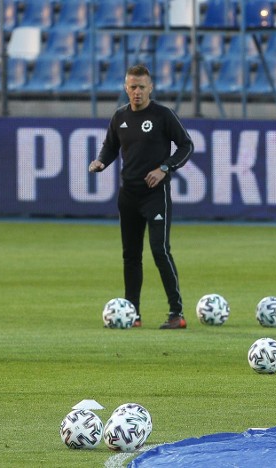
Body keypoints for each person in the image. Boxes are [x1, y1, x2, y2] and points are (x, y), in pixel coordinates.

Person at [89, 64, 194, 329]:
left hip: (155, 194)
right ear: (126, 88)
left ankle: (176, 313)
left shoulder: (162, 115)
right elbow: (110, 146)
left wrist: (164, 168)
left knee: (160, 251)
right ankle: (131, 314)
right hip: (129, 195)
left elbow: (186, 145)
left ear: (151, 88)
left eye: (142, 87)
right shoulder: (119, 117)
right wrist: (101, 161)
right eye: (132, 87)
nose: (137, 92)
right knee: (131, 255)